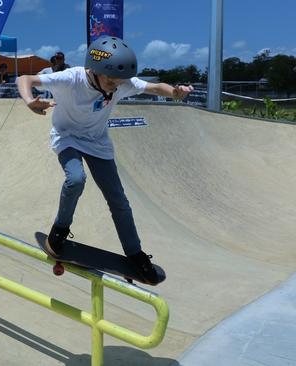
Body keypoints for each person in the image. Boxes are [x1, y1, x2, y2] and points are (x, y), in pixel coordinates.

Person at [16, 36, 193, 284]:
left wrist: (175, 92)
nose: (113, 86)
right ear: (93, 69)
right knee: (76, 179)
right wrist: (29, 101)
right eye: (109, 80)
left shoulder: (121, 83)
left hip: (97, 143)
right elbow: (25, 79)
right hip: (67, 138)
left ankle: (135, 254)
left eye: (118, 82)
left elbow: (155, 87)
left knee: (119, 200)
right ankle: (58, 233)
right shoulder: (71, 78)